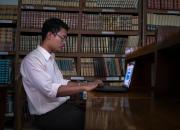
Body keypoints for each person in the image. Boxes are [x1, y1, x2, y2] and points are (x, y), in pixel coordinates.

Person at [20, 18, 103, 130]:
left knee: (90, 111)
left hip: (60, 107)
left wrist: (87, 84)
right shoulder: (32, 60)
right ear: (50, 35)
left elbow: (61, 82)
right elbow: (50, 90)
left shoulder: (50, 57)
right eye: (62, 38)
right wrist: (84, 87)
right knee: (89, 119)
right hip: (46, 115)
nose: (64, 43)